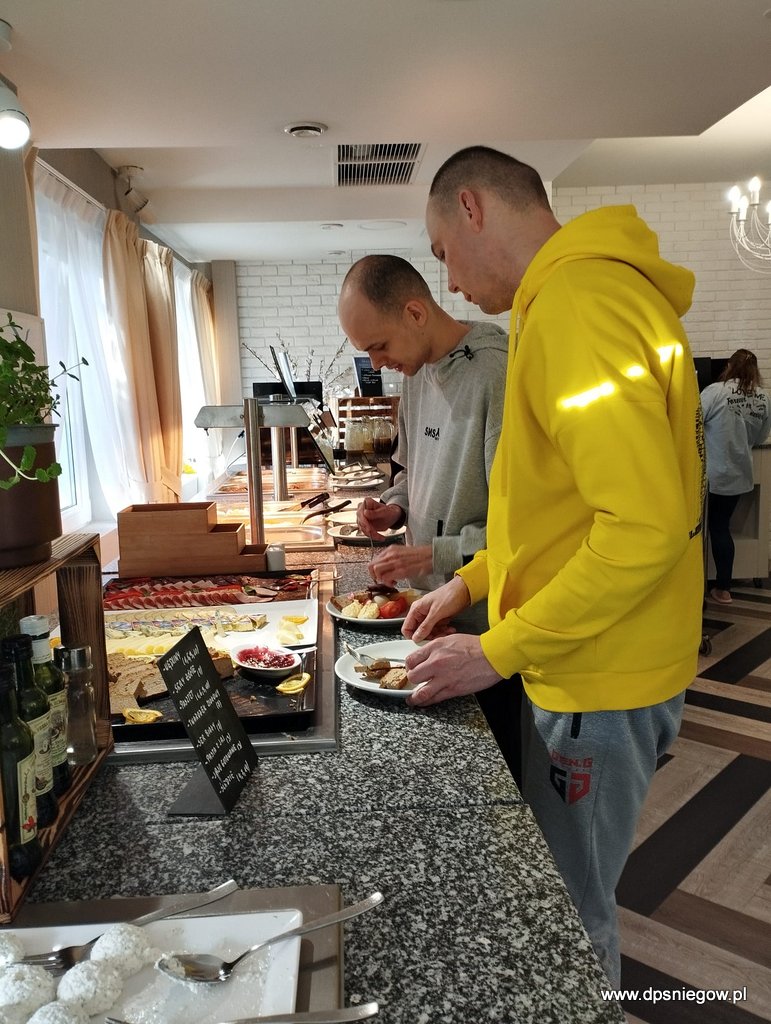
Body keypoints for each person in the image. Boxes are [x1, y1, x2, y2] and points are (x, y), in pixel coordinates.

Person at [401, 146, 705, 987]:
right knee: (558, 893)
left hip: (600, 672)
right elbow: (557, 512)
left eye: (442, 252)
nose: (448, 280)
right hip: (593, 657)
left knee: (569, 914)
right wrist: (472, 580)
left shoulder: (578, 304)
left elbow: (639, 529)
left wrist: (494, 649)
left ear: (472, 208)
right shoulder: (576, 298)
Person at [337, 254, 521, 779]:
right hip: (424, 613)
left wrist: (433, 553)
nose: (376, 364)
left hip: (481, 632)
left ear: (415, 314)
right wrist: (395, 505)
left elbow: (521, 531)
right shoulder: (415, 371)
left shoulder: (495, 373)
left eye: (379, 346)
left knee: (489, 781)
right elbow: (415, 470)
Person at [701, 348, 770, 604]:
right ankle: (723, 586)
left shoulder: (715, 392)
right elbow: (760, 436)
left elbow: (693, 422)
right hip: (740, 474)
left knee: (713, 528)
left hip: (714, 474)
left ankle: (719, 587)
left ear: (729, 366)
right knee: (722, 526)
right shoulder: (763, 397)